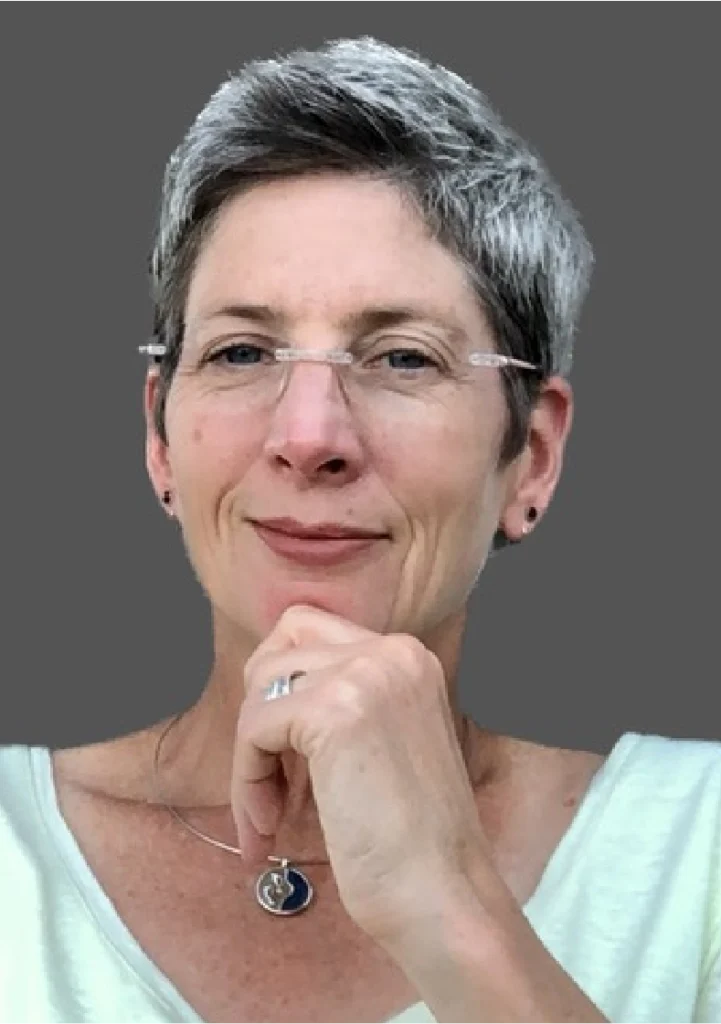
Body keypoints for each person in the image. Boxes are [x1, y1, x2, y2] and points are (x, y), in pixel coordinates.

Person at [0, 36, 718, 1024]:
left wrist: (453, 904)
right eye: (244, 350)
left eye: (404, 359)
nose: (308, 437)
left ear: (533, 455)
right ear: (161, 435)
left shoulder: (699, 847)